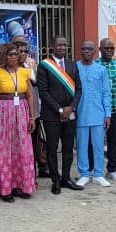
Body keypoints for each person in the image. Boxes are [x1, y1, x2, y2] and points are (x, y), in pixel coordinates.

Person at [0, 43, 36, 202]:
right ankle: (5, 188)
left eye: (16, 54)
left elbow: (29, 95)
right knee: (5, 150)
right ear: (3, 56)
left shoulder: (24, 72)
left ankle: (21, 185)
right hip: (4, 113)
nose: (14, 57)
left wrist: (32, 117)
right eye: (10, 54)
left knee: (22, 149)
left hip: (21, 113)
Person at [36, 36, 83, 194]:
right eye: (59, 45)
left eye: (65, 45)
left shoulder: (71, 64)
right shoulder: (44, 66)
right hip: (52, 115)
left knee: (68, 148)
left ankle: (66, 178)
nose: (63, 47)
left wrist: (72, 107)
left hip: (70, 114)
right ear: (52, 46)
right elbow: (43, 91)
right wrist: (59, 109)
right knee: (52, 149)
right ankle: (55, 181)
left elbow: (79, 89)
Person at [74, 40, 112, 187]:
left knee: (98, 146)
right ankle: (84, 174)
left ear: (95, 51)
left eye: (90, 49)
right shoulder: (75, 68)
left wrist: (107, 114)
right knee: (82, 146)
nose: (86, 51)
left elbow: (106, 93)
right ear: (81, 50)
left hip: (98, 114)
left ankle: (98, 174)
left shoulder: (101, 70)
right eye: (84, 49)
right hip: (81, 114)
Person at [12, 35, 48, 178]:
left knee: (33, 143)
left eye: (25, 50)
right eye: (18, 50)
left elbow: (36, 84)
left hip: (33, 111)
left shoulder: (31, 63)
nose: (22, 54)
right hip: (15, 112)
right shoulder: (6, 66)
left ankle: (31, 175)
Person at [88, 38, 116, 181]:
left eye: (111, 48)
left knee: (113, 141)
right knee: (93, 141)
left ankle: (112, 169)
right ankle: (92, 168)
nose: (109, 51)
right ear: (100, 49)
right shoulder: (94, 65)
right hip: (97, 111)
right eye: (106, 48)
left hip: (115, 110)